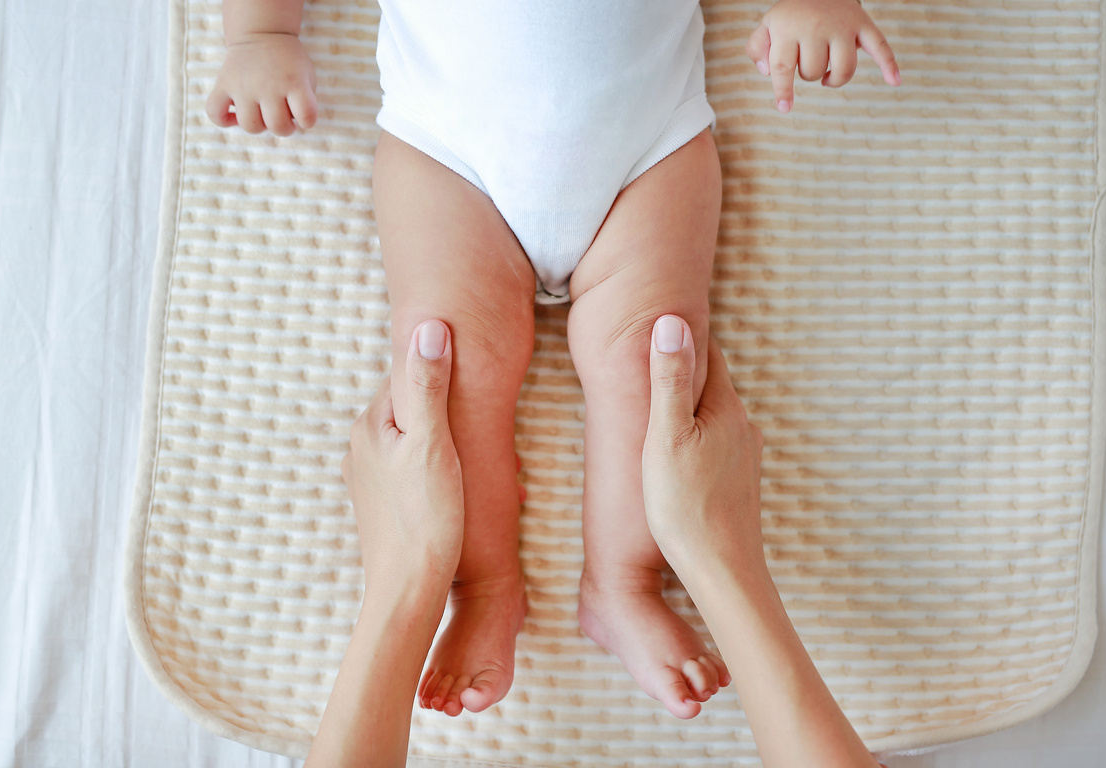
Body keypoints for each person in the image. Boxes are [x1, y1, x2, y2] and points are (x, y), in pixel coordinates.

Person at [208, 0, 901, 719]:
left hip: (648, 147)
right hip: (448, 153)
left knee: (654, 363)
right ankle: (481, 585)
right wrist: (261, 33)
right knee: (446, 367)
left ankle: (623, 584)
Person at [304, 317, 887, 768]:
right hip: (547, 163)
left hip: (535, 162)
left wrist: (407, 580)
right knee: (646, 354)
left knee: (455, 357)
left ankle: (577, 585)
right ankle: (573, 584)